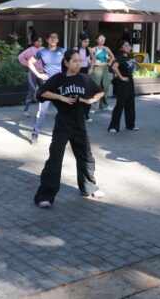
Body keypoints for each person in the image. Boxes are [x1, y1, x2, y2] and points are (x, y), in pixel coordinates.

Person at [34, 49, 106, 209]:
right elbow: (41, 92)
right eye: (74, 61)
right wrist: (60, 97)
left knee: (86, 156)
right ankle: (45, 195)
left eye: (79, 61)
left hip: (79, 122)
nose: (78, 64)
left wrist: (90, 101)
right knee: (55, 158)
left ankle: (89, 188)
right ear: (66, 63)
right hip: (63, 122)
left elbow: (100, 92)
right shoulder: (58, 79)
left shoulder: (84, 79)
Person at [27, 32, 66, 144]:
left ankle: (65, 133)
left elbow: (70, 63)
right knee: (42, 111)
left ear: (58, 40)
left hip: (60, 84)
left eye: (55, 37)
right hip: (47, 84)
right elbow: (30, 62)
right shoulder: (42, 52)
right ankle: (35, 133)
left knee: (64, 110)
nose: (53, 39)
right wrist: (38, 74)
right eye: (51, 37)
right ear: (47, 40)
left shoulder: (63, 51)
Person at [107, 41, 138, 133]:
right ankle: (113, 127)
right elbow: (114, 67)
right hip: (123, 83)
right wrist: (121, 77)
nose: (128, 47)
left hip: (130, 82)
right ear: (121, 48)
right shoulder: (119, 57)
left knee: (130, 104)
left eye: (129, 45)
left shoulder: (128, 57)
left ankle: (130, 125)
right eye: (125, 45)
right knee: (120, 105)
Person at [19, 35, 44, 117]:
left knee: (44, 90)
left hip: (41, 73)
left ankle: (43, 109)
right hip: (32, 73)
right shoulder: (29, 50)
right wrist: (28, 64)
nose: (40, 42)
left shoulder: (44, 50)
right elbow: (20, 57)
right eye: (38, 41)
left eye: (41, 41)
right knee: (32, 90)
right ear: (34, 42)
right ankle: (25, 110)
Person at [89, 34, 115, 112]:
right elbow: (91, 59)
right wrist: (95, 63)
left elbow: (113, 57)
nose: (102, 40)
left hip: (105, 68)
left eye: (103, 39)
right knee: (95, 87)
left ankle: (104, 105)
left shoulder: (106, 48)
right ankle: (91, 106)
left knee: (105, 86)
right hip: (96, 69)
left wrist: (109, 63)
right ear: (97, 40)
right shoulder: (94, 49)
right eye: (100, 39)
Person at [75, 34, 94, 122]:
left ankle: (86, 114)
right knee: (78, 92)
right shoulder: (75, 49)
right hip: (77, 71)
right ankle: (77, 113)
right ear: (80, 41)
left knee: (87, 93)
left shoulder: (89, 49)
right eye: (85, 41)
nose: (86, 43)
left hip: (86, 71)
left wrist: (91, 68)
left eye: (88, 42)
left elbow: (93, 59)